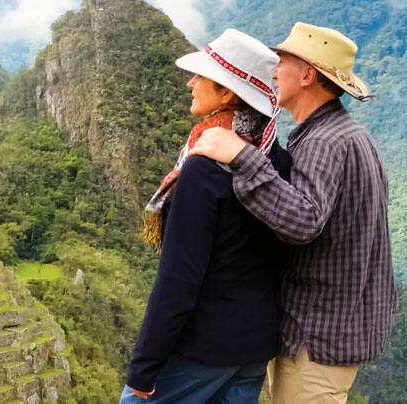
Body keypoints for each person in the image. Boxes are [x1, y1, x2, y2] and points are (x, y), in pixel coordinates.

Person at [191, 23, 394, 404]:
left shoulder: (323, 142)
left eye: (282, 62)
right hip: (333, 331)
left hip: (314, 337)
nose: (274, 70)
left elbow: (303, 221)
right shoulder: (348, 135)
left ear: (306, 75)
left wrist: (241, 156)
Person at [123, 29, 290, 404]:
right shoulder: (276, 157)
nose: (190, 83)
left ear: (227, 93)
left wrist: (144, 367)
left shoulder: (203, 169)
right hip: (253, 349)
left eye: (200, 77)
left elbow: (179, 278)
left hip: (202, 349)